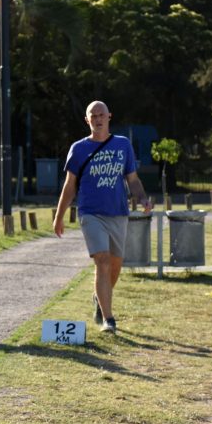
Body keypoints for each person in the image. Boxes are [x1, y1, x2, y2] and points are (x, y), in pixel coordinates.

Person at [53, 100, 151, 334]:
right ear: (87, 120)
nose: (97, 119)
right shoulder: (78, 149)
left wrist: (143, 199)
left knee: (116, 265)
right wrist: (59, 216)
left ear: (109, 117)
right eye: (93, 115)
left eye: (101, 114)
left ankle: (100, 299)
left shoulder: (123, 145)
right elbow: (69, 186)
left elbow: (133, 179)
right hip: (90, 213)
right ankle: (109, 319)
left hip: (118, 212)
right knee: (103, 261)